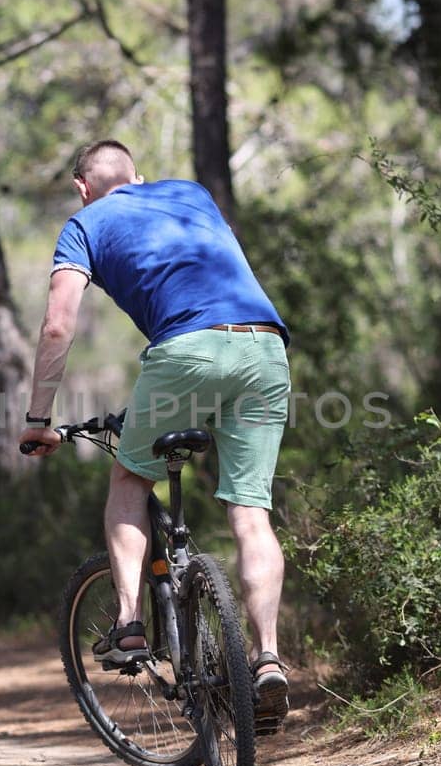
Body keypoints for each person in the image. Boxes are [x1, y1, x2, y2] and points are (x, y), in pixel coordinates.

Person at [17, 139, 293, 735]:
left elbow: (58, 323)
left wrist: (39, 418)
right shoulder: (191, 193)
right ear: (137, 177)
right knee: (251, 513)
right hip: (267, 346)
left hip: (187, 350)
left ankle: (130, 621)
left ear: (82, 187)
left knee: (129, 477)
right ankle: (267, 656)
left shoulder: (83, 223)